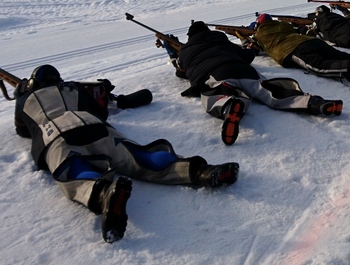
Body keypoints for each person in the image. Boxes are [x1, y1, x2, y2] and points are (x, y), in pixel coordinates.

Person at [13, 64, 238, 243]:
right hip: (96, 128)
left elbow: (23, 130)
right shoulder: (74, 88)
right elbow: (100, 112)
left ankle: (105, 195)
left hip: (56, 137)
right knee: (140, 157)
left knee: (74, 171)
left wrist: (20, 94)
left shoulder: (25, 100)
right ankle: (202, 172)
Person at [171, 21, 343, 146]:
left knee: (215, 93)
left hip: (216, 74)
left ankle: (229, 105)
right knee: (271, 90)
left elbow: (182, 73)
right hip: (243, 69)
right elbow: (246, 56)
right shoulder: (220, 39)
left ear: (189, 36)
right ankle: (313, 103)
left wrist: (173, 54)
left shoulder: (185, 51)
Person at [252, 14, 350, 88]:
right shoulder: (284, 25)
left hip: (291, 49)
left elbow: (253, 48)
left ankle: (348, 67)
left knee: (319, 65)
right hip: (311, 42)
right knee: (345, 55)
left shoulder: (259, 34)